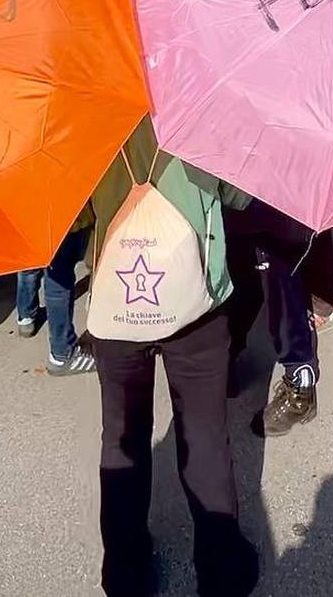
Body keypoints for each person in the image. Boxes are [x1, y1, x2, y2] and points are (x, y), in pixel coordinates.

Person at [88, 116, 259, 597]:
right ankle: (222, 570)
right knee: (204, 434)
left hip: (117, 304)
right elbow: (239, 197)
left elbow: (77, 217)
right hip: (196, 304)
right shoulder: (202, 108)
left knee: (121, 433)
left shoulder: (89, 115)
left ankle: (124, 572)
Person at [224, 200, 320, 436]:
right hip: (231, 202)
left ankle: (301, 388)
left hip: (279, 210)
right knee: (237, 285)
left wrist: (323, 296)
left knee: (283, 294)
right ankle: (227, 354)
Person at [15, 213, 94, 376]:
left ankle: (26, 317)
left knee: (29, 261)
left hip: (28, 210)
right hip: (61, 214)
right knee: (59, 274)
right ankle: (62, 354)